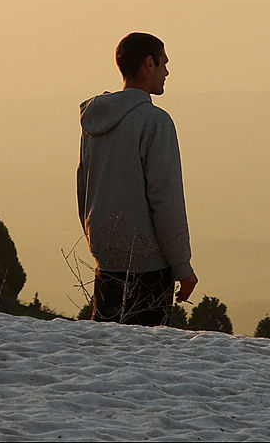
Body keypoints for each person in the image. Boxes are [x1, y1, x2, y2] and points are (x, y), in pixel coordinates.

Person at [76, 32, 198, 326]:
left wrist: (99, 242)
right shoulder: (155, 122)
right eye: (164, 63)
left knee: (107, 354)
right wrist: (183, 267)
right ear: (148, 63)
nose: (167, 71)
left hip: (106, 259)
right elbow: (165, 199)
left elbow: (84, 186)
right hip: (148, 268)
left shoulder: (95, 122)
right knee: (144, 359)